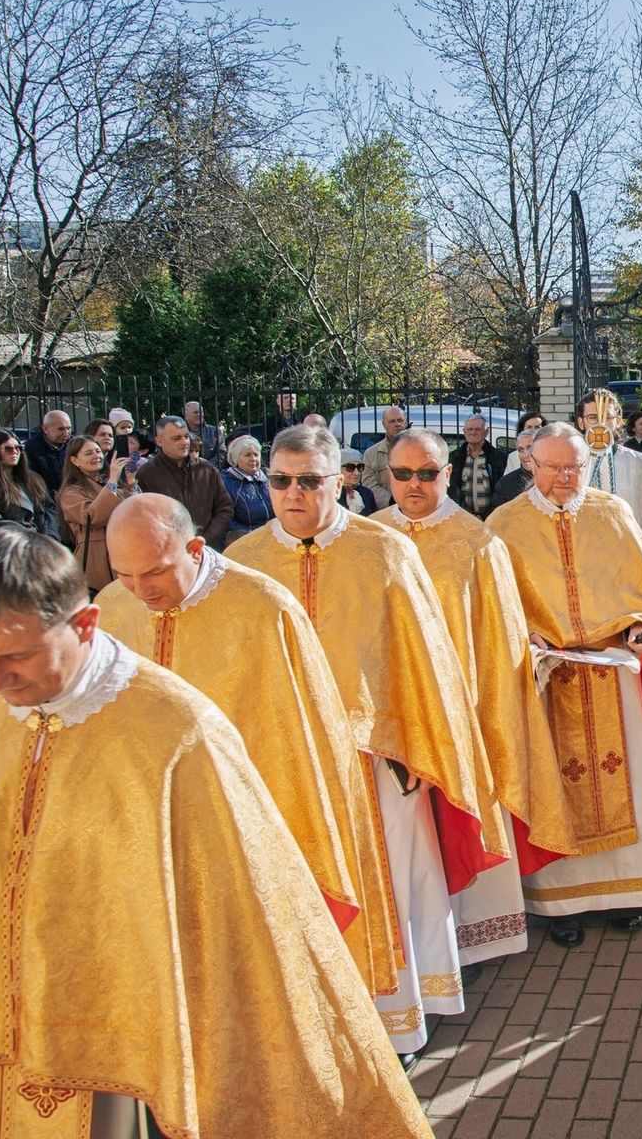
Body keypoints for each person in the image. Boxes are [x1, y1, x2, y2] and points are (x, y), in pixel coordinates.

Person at [0, 528, 432, 1138]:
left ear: (84, 625)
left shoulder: (177, 728)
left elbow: (248, 908)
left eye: (18, 657)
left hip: (128, 1025)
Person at [225, 424, 504, 1059]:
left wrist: (420, 750)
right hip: (281, 763)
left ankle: (396, 1018)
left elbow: (425, 666)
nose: (293, 494)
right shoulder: (240, 564)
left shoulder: (383, 552)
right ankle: (308, 1019)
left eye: (309, 481)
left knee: (392, 886)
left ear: (338, 481)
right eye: (279, 481)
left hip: (379, 761)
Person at [95, 495, 394, 998]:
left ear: (194, 548)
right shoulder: (111, 610)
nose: (140, 590)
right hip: (154, 822)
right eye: (125, 575)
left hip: (253, 819)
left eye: (154, 573)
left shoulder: (263, 607)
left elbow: (308, 737)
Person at [490, 423, 642, 945]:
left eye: (574, 466)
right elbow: (494, 609)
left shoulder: (612, 513)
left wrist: (641, 629)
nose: (564, 478)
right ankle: (562, 905)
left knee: (628, 784)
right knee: (558, 786)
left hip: (614, 674)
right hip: (549, 679)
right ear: (531, 464)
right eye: (552, 467)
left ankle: (630, 894)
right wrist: (525, 640)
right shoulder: (504, 526)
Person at [381, 428, 582, 970]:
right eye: (403, 474)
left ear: (448, 473)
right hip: (391, 715)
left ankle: (478, 932)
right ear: (388, 476)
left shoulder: (478, 542)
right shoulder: (368, 540)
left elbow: (502, 636)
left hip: (464, 711)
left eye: (427, 473)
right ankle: (419, 948)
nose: (415, 484)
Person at [574, 390, 642, 565]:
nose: (600, 424)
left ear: (618, 421)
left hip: (629, 565)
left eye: (607, 417)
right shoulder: (565, 467)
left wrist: (631, 555)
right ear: (581, 422)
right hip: (581, 568)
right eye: (592, 417)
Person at [135, 413, 234, 549]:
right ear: (159, 441)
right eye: (176, 438)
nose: (184, 442)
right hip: (168, 552)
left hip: (208, 550)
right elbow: (145, 520)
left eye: (186, 436)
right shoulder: (146, 474)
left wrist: (205, 539)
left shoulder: (206, 470)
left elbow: (225, 508)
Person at [55, 435, 132, 594]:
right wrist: (112, 480)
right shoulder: (70, 492)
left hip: (121, 551)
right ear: (75, 461)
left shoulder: (108, 484)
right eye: (89, 453)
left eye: (98, 451)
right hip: (95, 557)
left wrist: (131, 485)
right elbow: (92, 517)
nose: (96, 456)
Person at [0, 426, 59, 538]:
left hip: (41, 544)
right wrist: (28, 535)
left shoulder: (33, 478)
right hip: (6, 545)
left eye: (19, 448)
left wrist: (51, 536)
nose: (15, 451)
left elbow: (50, 510)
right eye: (8, 448)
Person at [448, 415, 506, 518]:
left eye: (478, 429)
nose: (473, 432)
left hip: (491, 519)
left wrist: (484, 516)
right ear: (464, 432)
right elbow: (451, 491)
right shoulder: (454, 458)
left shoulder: (499, 458)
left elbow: (502, 492)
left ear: (486, 432)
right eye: (469, 429)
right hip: (461, 518)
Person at [222, 433, 273, 539]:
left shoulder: (268, 478)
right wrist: (253, 535)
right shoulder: (226, 483)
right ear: (236, 459)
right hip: (245, 540)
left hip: (273, 537)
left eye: (256, 454)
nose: (253, 458)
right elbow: (226, 519)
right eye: (247, 455)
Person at [360, 404, 409, 503]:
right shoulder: (371, 454)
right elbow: (369, 486)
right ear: (383, 424)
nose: (397, 424)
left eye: (400, 420)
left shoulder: (419, 450)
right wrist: (393, 503)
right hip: (384, 512)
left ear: (406, 422)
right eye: (392, 421)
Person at [23, 409, 72, 495]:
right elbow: (32, 481)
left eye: (69, 428)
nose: (66, 433)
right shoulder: (31, 449)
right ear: (45, 429)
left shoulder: (73, 444)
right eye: (61, 429)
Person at [491, 430, 537, 509]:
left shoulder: (557, 478)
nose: (525, 455)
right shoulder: (504, 484)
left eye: (530, 448)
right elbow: (497, 518)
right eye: (521, 450)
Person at [182, 400, 225, 468]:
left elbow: (222, 453)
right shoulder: (179, 432)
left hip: (210, 472)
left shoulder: (214, 431)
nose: (200, 415)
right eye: (196, 412)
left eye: (201, 412)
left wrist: (206, 468)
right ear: (186, 415)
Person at [338, 447, 377, 514]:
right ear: (338, 469)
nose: (357, 473)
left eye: (359, 467)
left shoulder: (367, 493)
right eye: (350, 467)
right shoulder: (332, 494)